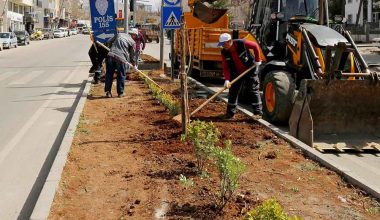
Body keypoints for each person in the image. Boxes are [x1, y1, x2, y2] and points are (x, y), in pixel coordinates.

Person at [218, 33, 263, 118]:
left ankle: (258, 113)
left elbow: (255, 46)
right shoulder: (224, 52)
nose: (223, 46)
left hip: (250, 68)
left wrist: (257, 59)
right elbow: (225, 67)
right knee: (233, 90)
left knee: (253, 89)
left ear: (229, 41)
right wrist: (227, 80)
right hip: (236, 72)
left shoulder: (241, 43)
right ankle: (230, 113)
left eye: (223, 44)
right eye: (221, 44)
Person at [104, 32, 137, 98]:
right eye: (135, 36)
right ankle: (120, 93)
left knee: (109, 74)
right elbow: (132, 55)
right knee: (121, 74)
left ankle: (108, 92)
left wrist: (111, 49)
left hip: (111, 55)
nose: (135, 37)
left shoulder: (119, 34)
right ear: (133, 35)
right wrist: (134, 64)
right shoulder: (132, 42)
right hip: (121, 58)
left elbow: (108, 42)